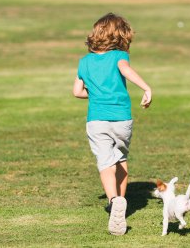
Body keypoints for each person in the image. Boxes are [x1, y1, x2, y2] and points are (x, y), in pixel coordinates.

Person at [72, 13, 152, 235]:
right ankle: (121, 203)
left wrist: (97, 94)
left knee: (105, 161)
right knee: (121, 158)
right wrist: (146, 87)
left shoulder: (84, 61)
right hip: (121, 119)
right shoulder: (120, 55)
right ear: (121, 35)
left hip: (97, 119)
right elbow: (125, 70)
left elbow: (77, 92)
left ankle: (114, 199)